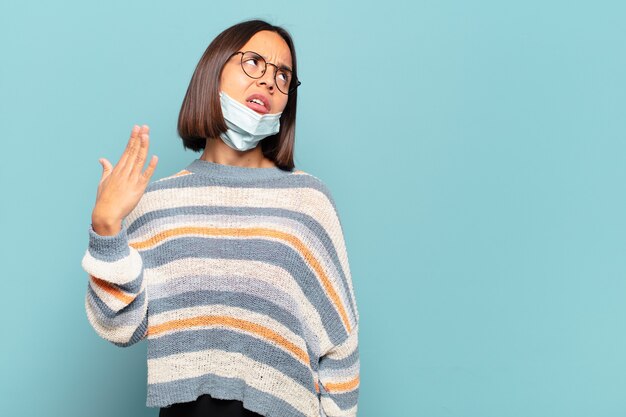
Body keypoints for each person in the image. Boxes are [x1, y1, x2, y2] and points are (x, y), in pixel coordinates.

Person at [81, 19, 360, 417]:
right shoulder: (159, 202)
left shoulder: (308, 202)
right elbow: (120, 326)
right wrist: (106, 229)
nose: (269, 81)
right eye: (254, 63)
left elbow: (341, 343)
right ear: (213, 71)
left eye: (283, 76)